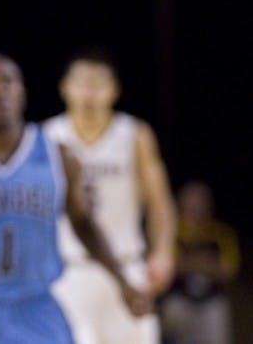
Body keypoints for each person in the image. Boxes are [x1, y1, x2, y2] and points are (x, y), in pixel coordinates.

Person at [0, 53, 151, 344]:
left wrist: (122, 281)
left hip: (38, 309)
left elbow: (85, 225)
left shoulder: (58, 157)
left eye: (8, 82)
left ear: (22, 94)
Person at [44, 49, 176, 344]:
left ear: (114, 90)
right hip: (70, 271)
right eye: (82, 82)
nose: (89, 92)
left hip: (127, 266)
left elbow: (159, 202)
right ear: (65, 88)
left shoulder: (135, 134)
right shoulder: (49, 137)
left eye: (98, 83)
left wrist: (163, 251)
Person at [161, 180, 240, 344]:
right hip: (180, 300)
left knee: (217, 316)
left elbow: (227, 271)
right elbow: (169, 267)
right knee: (172, 312)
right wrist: (205, 262)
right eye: (191, 204)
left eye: (201, 204)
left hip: (211, 302)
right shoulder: (172, 231)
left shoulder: (220, 233)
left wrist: (188, 263)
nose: (196, 209)